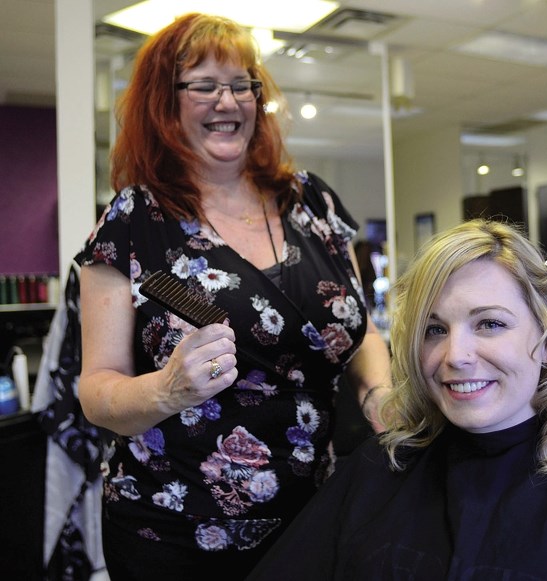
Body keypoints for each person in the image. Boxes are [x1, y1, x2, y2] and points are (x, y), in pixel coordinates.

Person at [77, 13, 391, 580]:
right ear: (164, 101)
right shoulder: (133, 221)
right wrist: (167, 389)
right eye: (203, 85)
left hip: (312, 515)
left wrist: (380, 394)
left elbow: (360, 328)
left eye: (242, 83)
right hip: (175, 531)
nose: (228, 100)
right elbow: (97, 391)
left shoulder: (311, 203)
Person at [247, 219, 547, 580]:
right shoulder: (376, 474)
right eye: (435, 329)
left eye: (490, 323)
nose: (455, 356)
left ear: (546, 337)